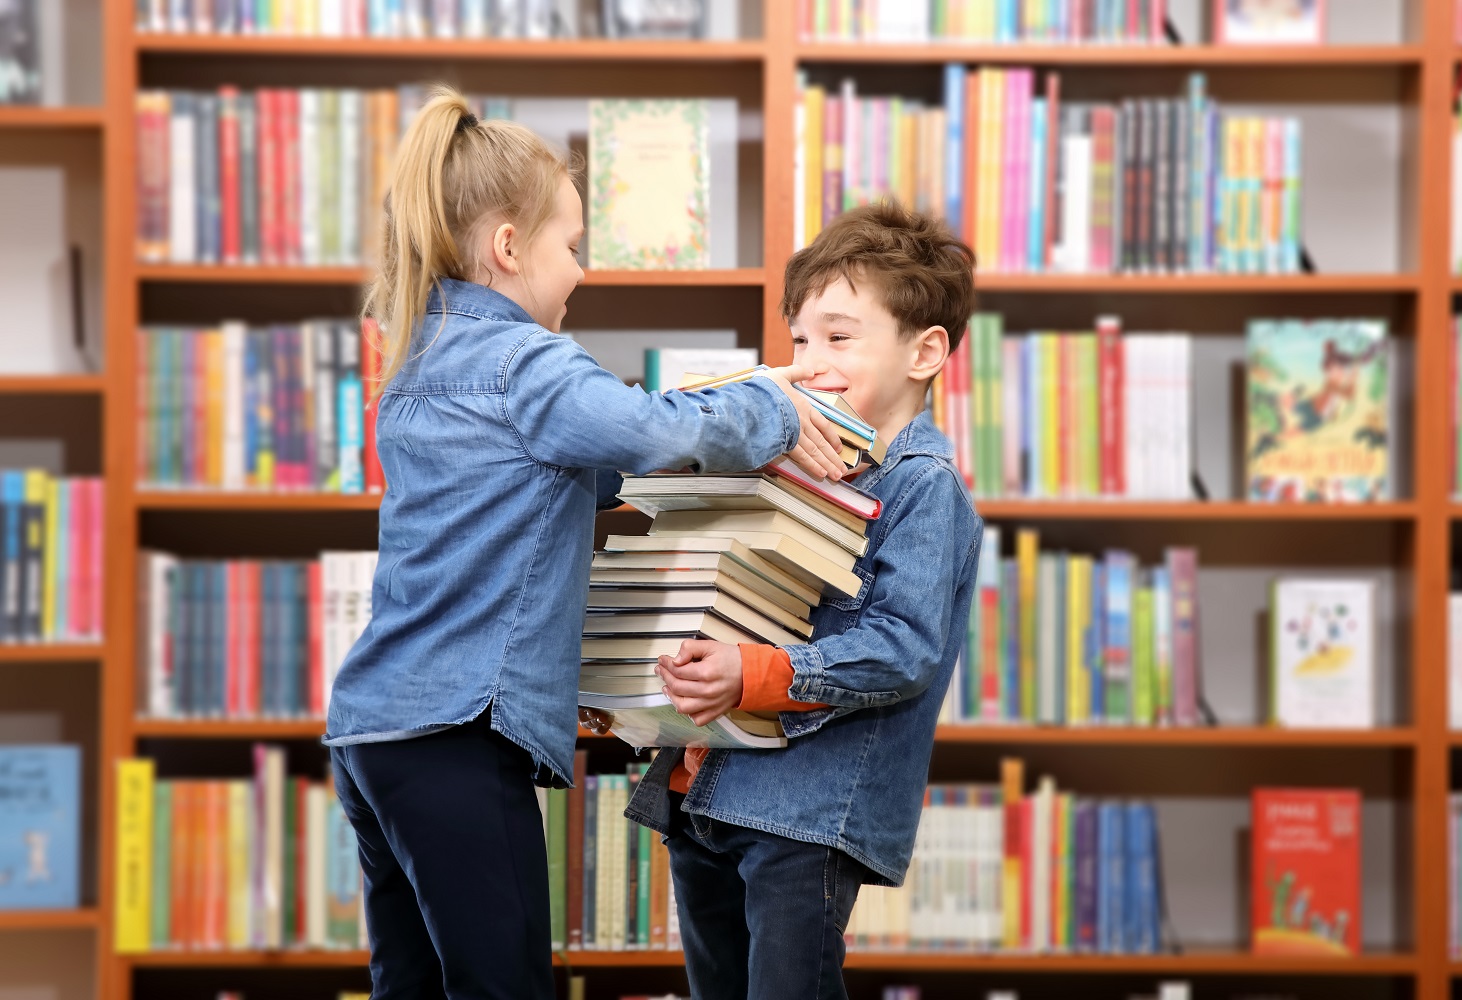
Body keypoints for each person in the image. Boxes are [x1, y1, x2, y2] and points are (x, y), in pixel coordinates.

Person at [323, 87, 847, 1000]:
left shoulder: (417, 364)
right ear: (509, 248)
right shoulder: (525, 362)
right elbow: (646, 430)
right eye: (571, 247)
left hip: (373, 735)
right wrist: (775, 399)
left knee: (409, 988)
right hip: (456, 733)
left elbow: (572, 476)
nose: (580, 273)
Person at [618, 201, 984, 1000]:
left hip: (800, 817)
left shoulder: (924, 487)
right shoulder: (786, 461)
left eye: (840, 337)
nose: (809, 363)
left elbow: (902, 647)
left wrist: (753, 672)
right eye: (800, 338)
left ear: (926, 352)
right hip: (700, 791)